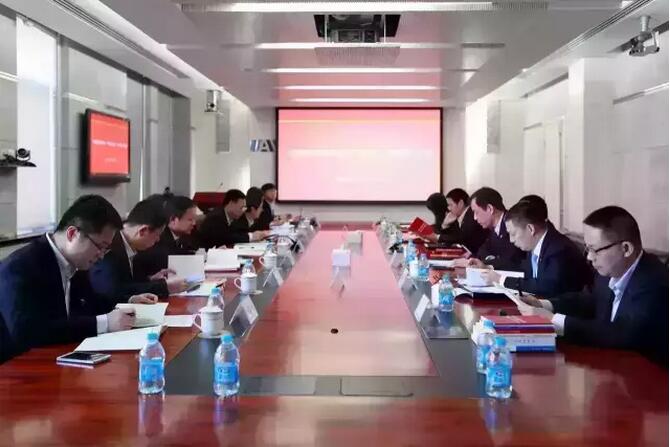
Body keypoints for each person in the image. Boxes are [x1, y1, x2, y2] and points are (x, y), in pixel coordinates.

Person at [0, 195, 154, 358]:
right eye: (100, 247)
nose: (101, 255)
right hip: (20, 364)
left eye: (106, 249)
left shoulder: (75, 262)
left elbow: (92, 302)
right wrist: (103, 323)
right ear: (72, 234)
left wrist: (129, 301)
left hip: (60, 356)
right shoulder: (20, 267)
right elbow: (26, 332)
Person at [517, 206, 668, 365]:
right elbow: (588, 300)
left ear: (626, 249)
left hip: (647, 373)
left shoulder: (655, 282)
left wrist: (553, 320)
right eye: (587, 249)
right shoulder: (610, 270)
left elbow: (622, 333)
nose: (589, 257)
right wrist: (544, 304)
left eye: (595, 250)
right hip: (611, 364)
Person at [481, 197, 591, 297]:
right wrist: (489, 268)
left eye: (513, 234)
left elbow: (546, 286)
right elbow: (522, 268)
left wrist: (502, 280)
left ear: (531, 229)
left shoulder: (559, 250)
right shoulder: (536, 244)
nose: (511, 240)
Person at [89, 199, 189, 300]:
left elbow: (128, 284)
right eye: (157, 235)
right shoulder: (110, 246)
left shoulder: (130, 244)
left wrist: (151, 280)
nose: (158, 239)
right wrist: (164, 287)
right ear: (143, 231)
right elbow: (111, 291)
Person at [453, 187, 525, 270]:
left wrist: (487, 263)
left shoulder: (512, 224)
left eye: (476, 212)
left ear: (490, 209)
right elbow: (482, 251)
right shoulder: (493, 227)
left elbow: (511, 260)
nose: (475, 218)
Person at [133, 195, 199, 279]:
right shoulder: (156, 239)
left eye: (195, 219)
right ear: (173, 219)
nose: (194, 223)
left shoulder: (185, 236)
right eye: (190, 219)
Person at [423, 188, 488, 254]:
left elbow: (460, 239)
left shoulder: (471, 216)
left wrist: (438, 237)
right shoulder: (460, 216)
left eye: (450, 205)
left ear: (460, 203)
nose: (448, 208)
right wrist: (445, 225)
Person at [199, 189, 269, 249]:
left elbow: (234, 235)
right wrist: (251, 236)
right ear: (231, 203)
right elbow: (227, 238)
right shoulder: (217, 217)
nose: (243, 211)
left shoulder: (230, 217)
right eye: (241, 208)